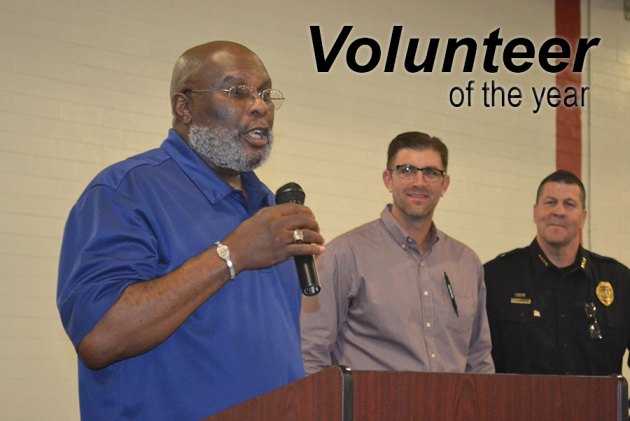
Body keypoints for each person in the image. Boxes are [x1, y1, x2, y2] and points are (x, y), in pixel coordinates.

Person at [56, 41, 325, 420]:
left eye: (265, 92)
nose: (260, 105)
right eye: (237, 91)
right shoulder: (125, 192)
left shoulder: (269, 209)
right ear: (184, 107)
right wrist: (232, 255)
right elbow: (100, 336)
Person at [300, 131, 494, 375]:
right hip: (372, 409)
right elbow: (311, 352)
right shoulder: (345, 254)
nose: (420, 182)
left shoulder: (467, 263)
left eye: (431, 172)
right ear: (388, 179)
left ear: (444, 185)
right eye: (407, 170)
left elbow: (478, 357)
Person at [484, 170, 630, 375]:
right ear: (535, 211)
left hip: (597, 407)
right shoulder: (495, 278)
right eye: (550, 202)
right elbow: (476, 359)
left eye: (569, 204)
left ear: (583, 217)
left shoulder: (618, 280)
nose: (559, 211)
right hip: (520, 407)